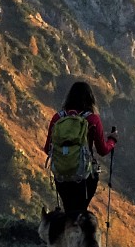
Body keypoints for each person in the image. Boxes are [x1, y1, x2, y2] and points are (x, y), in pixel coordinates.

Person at [44, 80, 117, 217]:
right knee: (79, 212)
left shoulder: (58, 118)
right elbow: (102, 150)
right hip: (84, 176)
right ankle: (79, 236)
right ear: (90, 99)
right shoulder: (93, 120)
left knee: (68, 211)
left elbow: (47, 149)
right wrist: (112, 140)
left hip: (62, 176)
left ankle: (66, 235)